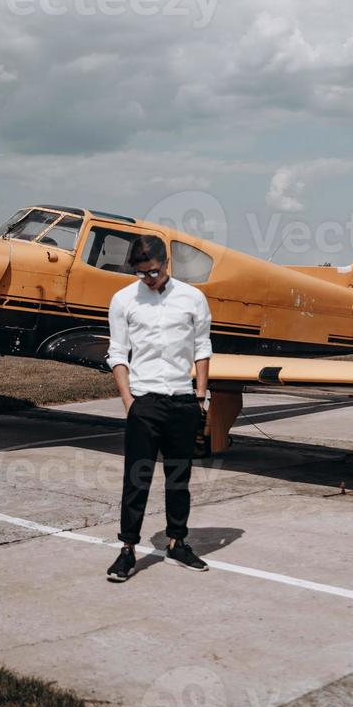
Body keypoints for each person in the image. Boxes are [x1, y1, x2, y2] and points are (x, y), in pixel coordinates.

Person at [106, 234, 212, 581]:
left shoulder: (192, 298)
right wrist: (129, 402)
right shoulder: (123, 300)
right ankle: (127, 550)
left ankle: (177, 541)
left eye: (153, 272)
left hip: (183, 400)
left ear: (167, 264)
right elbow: (118, 354)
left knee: (178, 478)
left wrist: (199, 395)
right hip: (144, 402)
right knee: (137, 479)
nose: (148, 279)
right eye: (141, 274)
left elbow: (201, 347)